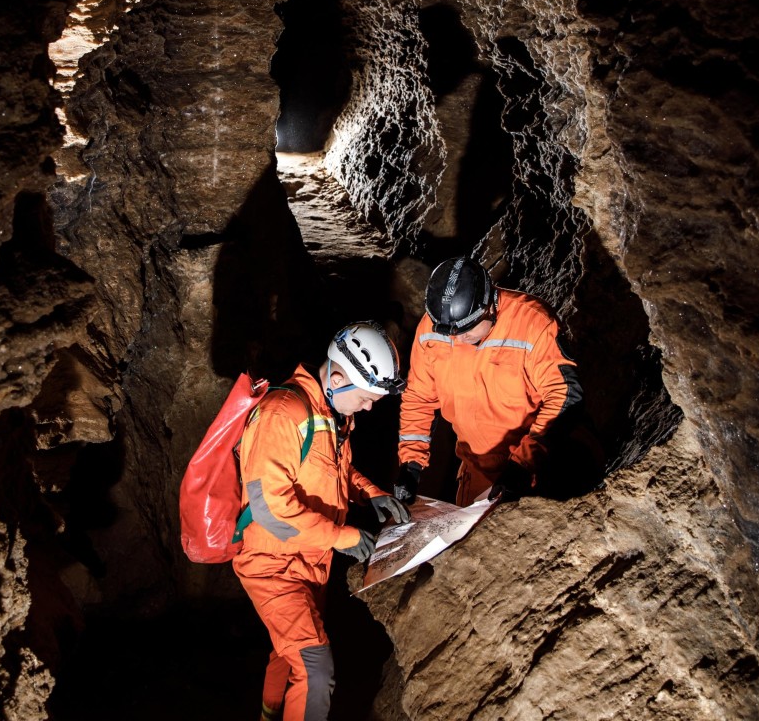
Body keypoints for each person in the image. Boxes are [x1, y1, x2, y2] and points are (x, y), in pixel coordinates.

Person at [234, 321, 411, 721]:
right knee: (315, 669)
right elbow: (269, 508)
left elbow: (335, 472)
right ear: (336, 377)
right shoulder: (283, 414)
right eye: (366, 398)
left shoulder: (330, 415)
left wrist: (371, 492)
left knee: (288, 649)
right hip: (272, 566)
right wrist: (342, 536)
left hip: (309, 563)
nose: (368, 408)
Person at [394, 255, 583, 508]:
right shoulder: (434, 327)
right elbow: (419, 398)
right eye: (451, 333)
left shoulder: (532, 323)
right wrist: (411, 463)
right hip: (477, 470)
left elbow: (564, 396)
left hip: (532, 469)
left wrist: (524, 465)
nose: (458, 339)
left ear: (490, 306)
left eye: (467, 330)